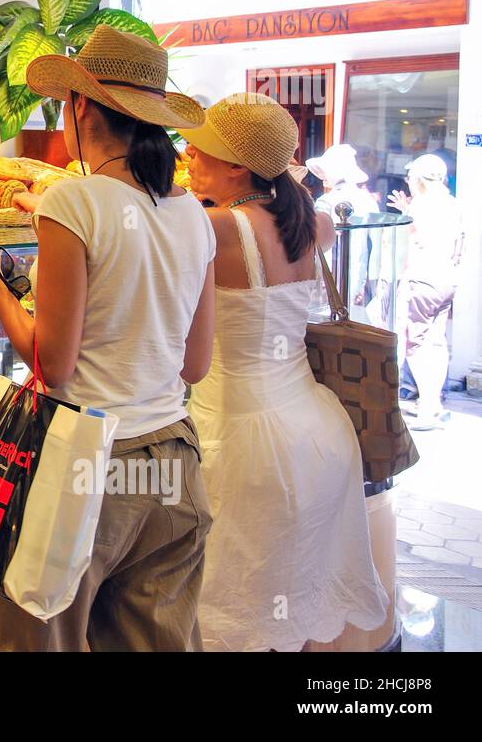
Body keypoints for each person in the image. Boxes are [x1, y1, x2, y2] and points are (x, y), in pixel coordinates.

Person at [0, 24, 217, 652]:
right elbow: (196, 363)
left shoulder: (72, 201)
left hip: (86, 469)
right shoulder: (193, 213)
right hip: (173, 467)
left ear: (80, 106)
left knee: (36, 643)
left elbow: (53, 361)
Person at [179, 93, 387, 652]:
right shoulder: (315, 222)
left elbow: (188, 351)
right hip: (316, 433)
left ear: (237, 166)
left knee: (224, 605)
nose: (187, 156)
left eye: (199, 150)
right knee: (281, 600)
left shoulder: (217, 227)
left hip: (242, 440)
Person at [389, 154, 464, 430]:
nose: (408, 181)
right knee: (437, 341)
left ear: (419, 179)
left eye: (410, 177)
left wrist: (402, 280)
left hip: (422, 279)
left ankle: (428, 407)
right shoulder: (451, 203)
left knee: (415, 343)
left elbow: (411, 244)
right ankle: (434, 403)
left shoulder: (422, 205)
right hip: (446, 279)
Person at [305, 143, 382, 322]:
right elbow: (376, 245)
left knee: (329, 322)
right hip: (357, 272)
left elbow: (315, 241)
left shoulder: (327, 201)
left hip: (329, 271)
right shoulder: (367, 200)